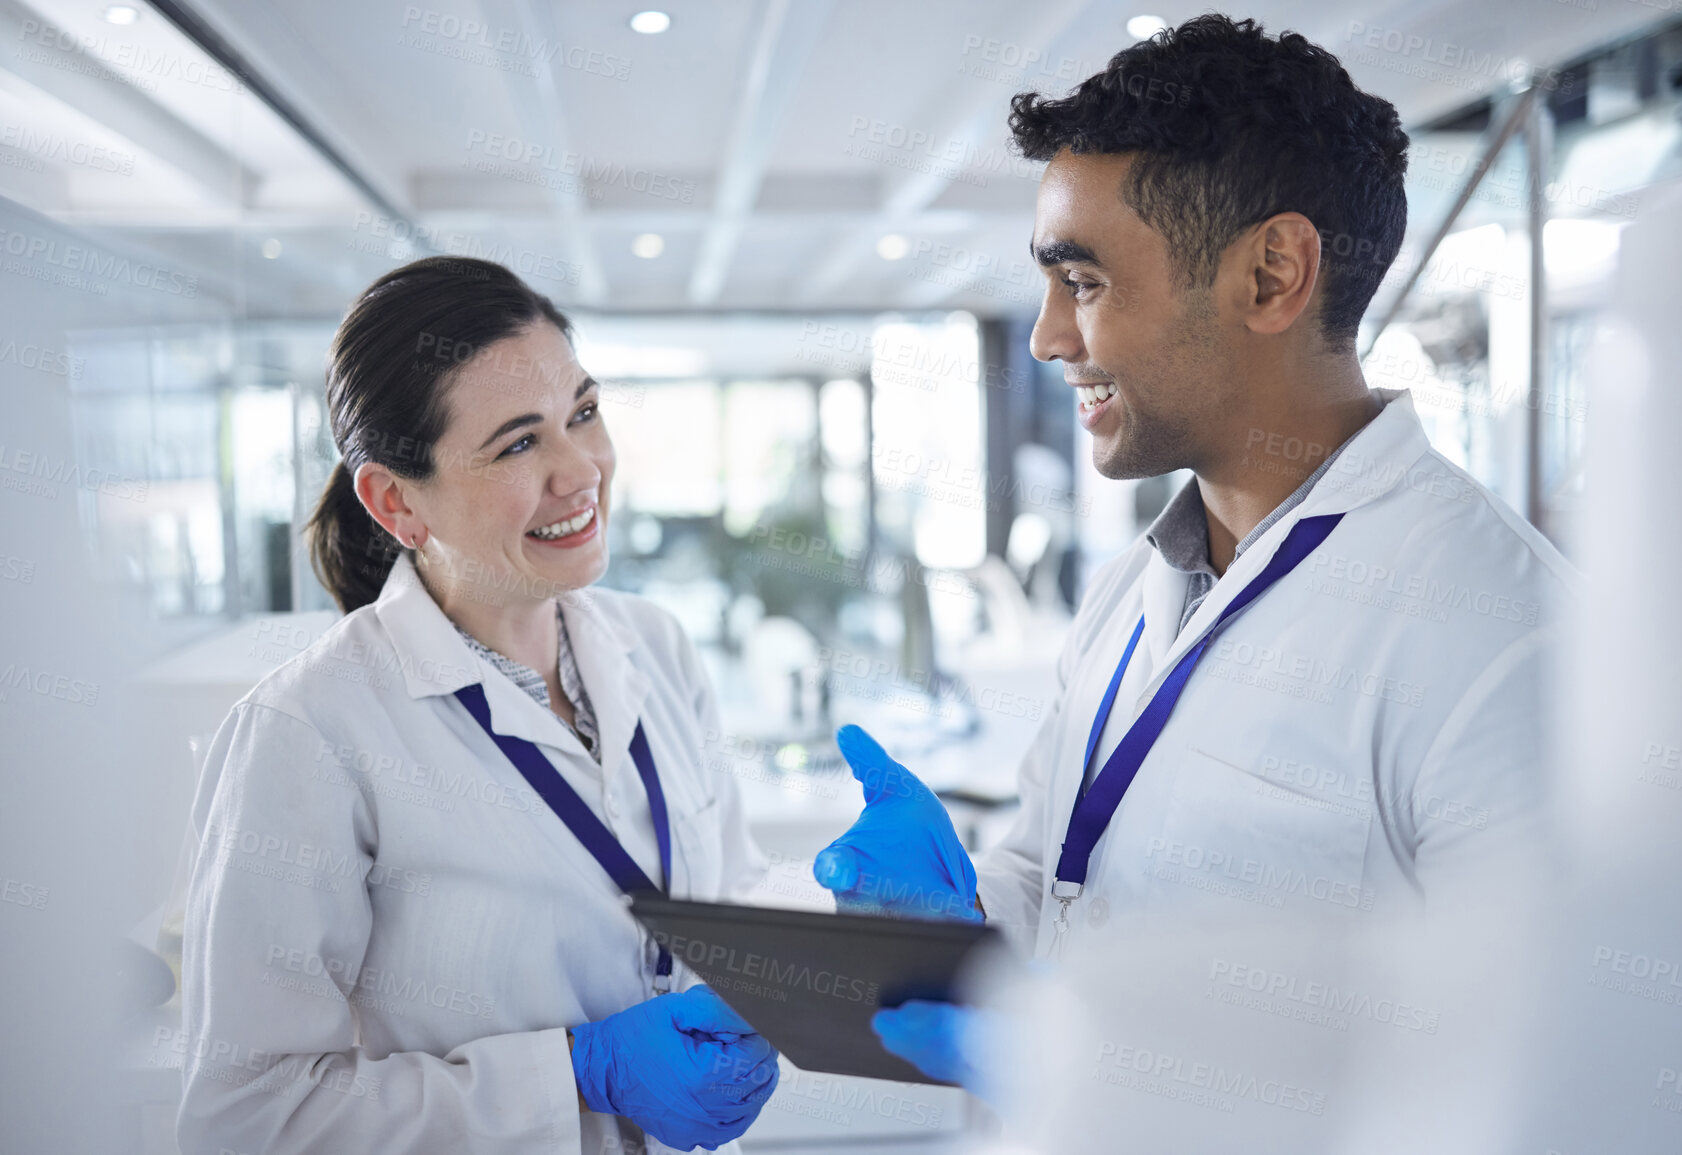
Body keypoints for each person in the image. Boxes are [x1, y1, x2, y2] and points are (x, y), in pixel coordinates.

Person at [813, 15, 1573, 1085]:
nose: (1046, 338)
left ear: (1271, 276)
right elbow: (1054, 883)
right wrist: (955, 927)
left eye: (1083, 283)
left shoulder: (1509, 640)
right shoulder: (1135, 591)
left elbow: (1544, 1076)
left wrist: (1101, 1061)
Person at [176, 257, 778, 1154]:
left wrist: (860, 924)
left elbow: (724, 899)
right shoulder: (308, 732)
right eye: (517, 443)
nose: (581, 471)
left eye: (582, 412)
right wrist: (572, 1073)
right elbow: (244, 1119)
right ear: (394, 502)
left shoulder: (654, 645)